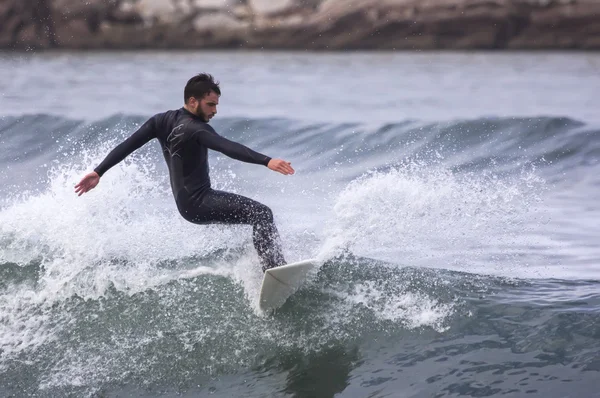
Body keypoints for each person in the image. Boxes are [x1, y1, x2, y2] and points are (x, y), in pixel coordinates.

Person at [74, 73, 295, 271]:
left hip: (186, 206)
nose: (215, 111)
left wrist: (99, 171)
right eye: (210, 105)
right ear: (192, 101)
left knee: (257, 218)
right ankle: (275, 270)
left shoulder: (160, 121)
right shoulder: (197, 129)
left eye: (216, 105)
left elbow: (128, 145)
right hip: (200, 201)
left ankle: (267, 269)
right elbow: (227, 146)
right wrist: (267, 161)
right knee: (262, 214)